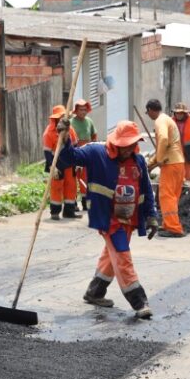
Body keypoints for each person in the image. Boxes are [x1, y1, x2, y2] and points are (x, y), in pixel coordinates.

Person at [54, 119, 161, 320]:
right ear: (116, 142)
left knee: (111, 256)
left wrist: (151, 217)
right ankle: (140, 302)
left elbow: (146, 189)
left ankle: (95, 292)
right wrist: (65, 136)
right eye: (125, 145)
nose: (128, 149)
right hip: (108, 217)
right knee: (122, 256)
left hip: (128, 218)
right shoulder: (97, 152)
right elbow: (69, 158)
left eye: (132, 145)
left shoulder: (138, 161)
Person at [146, 98, 186, 238]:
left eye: (148, 112)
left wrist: (160, 159)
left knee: (166, 195)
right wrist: (151, 162)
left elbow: (163, 139)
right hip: (178, 163)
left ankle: (174, 228)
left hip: (171, 163)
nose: (148, 115)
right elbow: (162, 146)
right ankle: (169, 224)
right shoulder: (167, 119)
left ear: (151, 110)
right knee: (173, 196)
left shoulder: (160, 121)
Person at [42, 105, 78, 220]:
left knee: (71, 186)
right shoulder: (49, 133)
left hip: (70, 163)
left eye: (64, 116)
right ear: (55, 119)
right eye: (60, 117)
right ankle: (55, 212)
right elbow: (47, 153)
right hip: (57, 164)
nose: (62, 119)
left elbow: (75, 146)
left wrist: (78, 163)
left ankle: (69, 211)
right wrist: (53, 167)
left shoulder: (70, 129)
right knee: (56, 188)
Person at [66, 99, 97, 212]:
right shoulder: (71, 123)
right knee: (73, 179)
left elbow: (94, 135)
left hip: (87, 153)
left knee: (86, 178)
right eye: (81, 110)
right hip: (75, 152)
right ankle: (73, 203)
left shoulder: (89, 121)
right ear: (76, 110)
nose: (83, 112)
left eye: (85, 110)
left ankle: (85, 203)